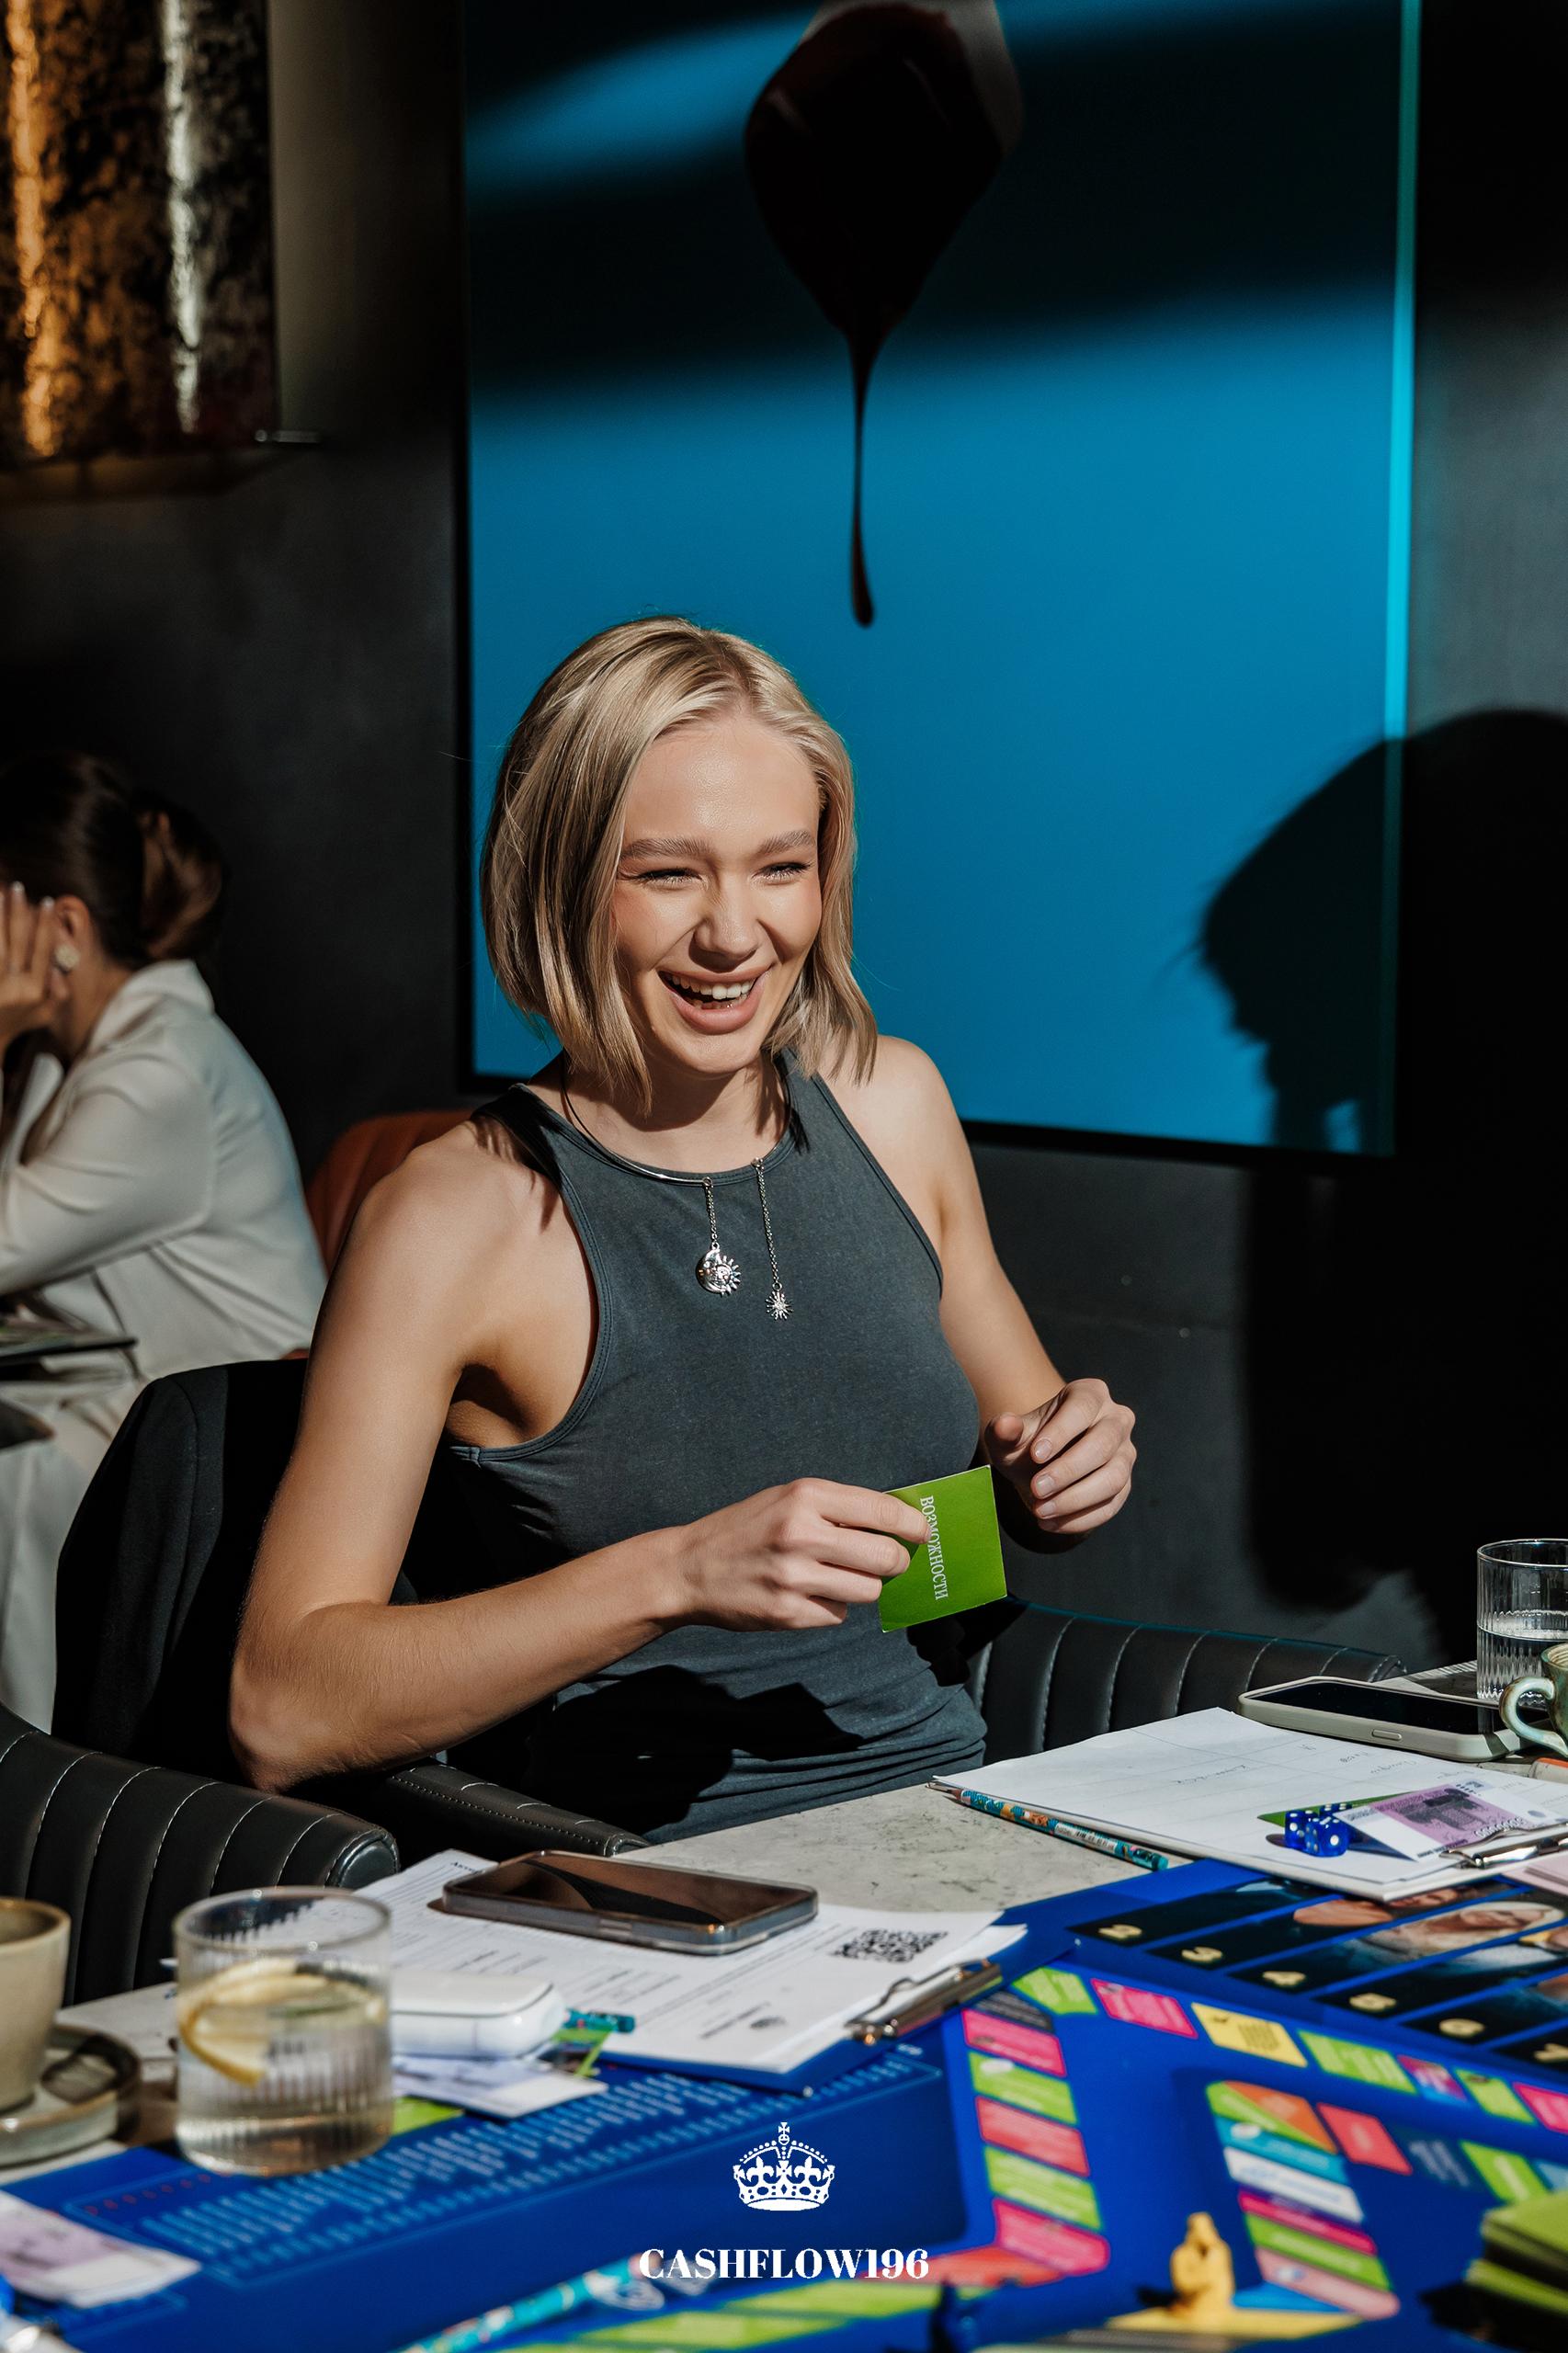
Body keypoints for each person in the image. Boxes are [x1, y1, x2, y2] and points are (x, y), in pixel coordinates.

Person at [233, 620, 1136, 1835]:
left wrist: (1062, 1470)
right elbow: (283, 1708)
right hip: (647, 1881)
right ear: (559, 879)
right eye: (666, 874)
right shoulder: (454, 1216)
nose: (733, 933)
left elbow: (1000, 1495)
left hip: (955, 1820)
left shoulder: (893, 1105)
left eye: (779, 867)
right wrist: (673, 1574)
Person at [0, 754, 324, 1725]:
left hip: (229, 1429)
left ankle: (38, 1783)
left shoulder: (163, 1071)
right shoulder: (72, 1056)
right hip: (133, 1399)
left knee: (16, 1469)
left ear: (62, 929)